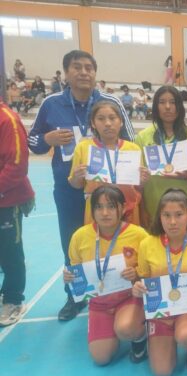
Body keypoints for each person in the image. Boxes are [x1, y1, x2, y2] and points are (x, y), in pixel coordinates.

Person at [28, 49, 135, 321]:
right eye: (77, 67)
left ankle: (122, 292)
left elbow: (132, 142)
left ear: (95, 73)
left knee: (115, 241)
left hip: (110, 193)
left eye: (89, 67)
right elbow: (34, 142)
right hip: (68, 189)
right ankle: (74, 296)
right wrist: (48, 139)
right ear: (66, 72)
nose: (84, 72)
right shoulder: (51, 104)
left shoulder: (110, 103)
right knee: (73, 243)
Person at [63, 185, 148, 365]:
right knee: (101, 358)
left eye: (111, 206)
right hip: (99, 303)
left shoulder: (139, 235)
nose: (105, 213)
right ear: (92, 210)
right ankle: (111, 328)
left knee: (126, 329)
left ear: (123, 208)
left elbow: (151, 270)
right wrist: (70, 278)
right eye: (99, 207)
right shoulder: (80, 236)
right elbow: (75, 269)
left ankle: (140, 337)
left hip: (129, 297)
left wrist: (137, 273)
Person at [133, 189, 187, 376]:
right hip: (160, 311)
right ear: (159, 216)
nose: (172, 222)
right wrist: (137, 286)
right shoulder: (146, 244)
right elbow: (141, 277)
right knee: (162, 372)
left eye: (179, 215)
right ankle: (152, 337)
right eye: (166, 215)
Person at [68, 101, 149, 226]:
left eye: (112, 118)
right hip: (98, 211)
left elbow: (139, 187)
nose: (107, 123)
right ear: (93, 124)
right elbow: (76, 185)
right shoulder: (84, 147)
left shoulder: (133, 149)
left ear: (121, 122)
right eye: (101, 119)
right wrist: (76, 177)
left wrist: (143, 181)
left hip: (128, 211)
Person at [135, 86, 187, 228]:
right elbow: (137, 179)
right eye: (162, 102)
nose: (167, 107)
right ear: (155, 106)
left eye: (172, 102)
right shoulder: (142, 138)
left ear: (179, 106)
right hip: (153, 209)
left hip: (184, 213)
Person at [0, 99, 35, 326]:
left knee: (10, 251)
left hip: (8, 201)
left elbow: (18, 165)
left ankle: (13, 299)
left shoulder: (8, 120)